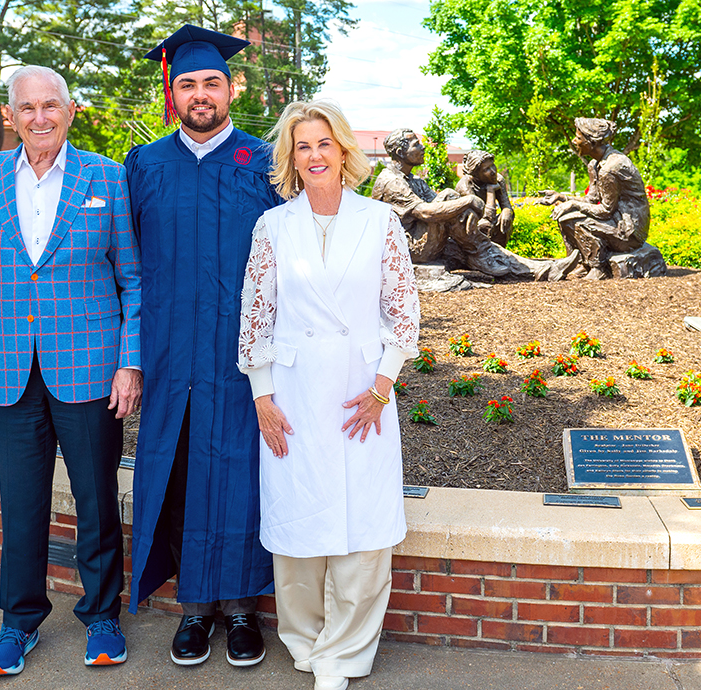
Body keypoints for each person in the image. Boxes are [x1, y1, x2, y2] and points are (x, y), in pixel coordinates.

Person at [0, 65, 141, 676]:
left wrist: (129, 363)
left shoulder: (106, 176)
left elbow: (131, 281)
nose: (39, 117)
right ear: (10, 115)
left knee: (96, 499)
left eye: (50, 105)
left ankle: (102, 616)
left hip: (89, 367)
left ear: (70, 109)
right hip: (8, 370)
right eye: (26, 108)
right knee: (21, 503)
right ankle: (17, 623)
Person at [238, 99, 420, 690]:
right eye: (302, 147)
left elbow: (403, 312)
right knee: (296, 521)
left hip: (359, 391)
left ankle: (344, 656)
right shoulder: (274, 225)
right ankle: (306, 641)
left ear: (344, 151)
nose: (314, 156)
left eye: (324, 144)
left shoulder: (380, 221)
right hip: (290, 392)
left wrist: (381, 387)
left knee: (362, 525)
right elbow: (255, 316)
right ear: (291, 158)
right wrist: (263, 397)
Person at [125, 24, 285, 668]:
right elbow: (123, 262)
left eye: (211, 83)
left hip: (242, 354)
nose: (199, 94)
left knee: (243, 474)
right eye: (186, 84)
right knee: (185, 471)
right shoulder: (145, 165)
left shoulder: (263, 163)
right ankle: (195, 609)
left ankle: (242, 606)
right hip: (167, 352)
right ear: (171, 92)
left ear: (230, 89)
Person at [541, 117, 650, 280]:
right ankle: (581, 263)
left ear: (592, 142)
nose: (574, 141)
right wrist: (562, 198)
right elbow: (591, 199)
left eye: (578, 138)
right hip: (616, 220)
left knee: (574, 220)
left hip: (629, 231)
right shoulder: (594, 165)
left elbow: (606, 211)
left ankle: (598, 267)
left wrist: (572, 205)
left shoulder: (610, 168)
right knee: (564, 217)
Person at [370, 127, 484, 264]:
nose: (423, 147)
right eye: (416, 144)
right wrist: (470, 200)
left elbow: (438, 203)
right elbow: (427, 212)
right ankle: (484, 252)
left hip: (420, 239)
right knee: (450, 197)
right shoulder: (392, 181)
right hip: (405, 249)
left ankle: (486, 252)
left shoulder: (414, 180)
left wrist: (468, 209)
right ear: (400, 152)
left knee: (450, 195)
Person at [455, 149, 514, 248]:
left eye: (492, 165)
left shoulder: (498, 179)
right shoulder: (465, 185)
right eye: (486, 169)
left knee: (504, 219)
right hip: (469, 229)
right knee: (484, 225)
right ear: (476, 175)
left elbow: (507, 206)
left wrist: (507, 212)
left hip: (486, 223)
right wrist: (490, 191)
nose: (493, 171)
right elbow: (486, 219)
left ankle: (499, 253)